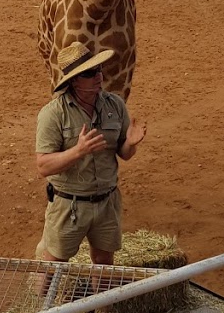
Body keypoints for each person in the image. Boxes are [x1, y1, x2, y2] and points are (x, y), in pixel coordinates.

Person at [35, 43, 147, 270]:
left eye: (98, 69)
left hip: (107, 202)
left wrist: (131, 143)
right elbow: (43, 166)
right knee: (53, 266)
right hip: (69, 205)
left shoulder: (115, 105)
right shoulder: (54, 113)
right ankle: (40, 304)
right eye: (89, 73)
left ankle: (103, 307)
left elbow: (123, 154)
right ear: (74, 81)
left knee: (104, 264)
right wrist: (79, 151)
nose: (98, 76)